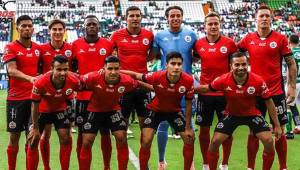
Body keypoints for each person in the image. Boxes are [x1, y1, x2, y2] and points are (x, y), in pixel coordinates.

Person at [195, 52, 282, 170]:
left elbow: (269, 102)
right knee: (215, 141)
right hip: (231, 115)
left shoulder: (258, 81)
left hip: (252, 114)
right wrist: (188, 89)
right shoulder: (223, 79)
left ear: (248, 64)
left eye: (243, 64)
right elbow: (206, 88)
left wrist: (277, 125)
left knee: (268, 141)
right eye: (237, 65)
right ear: (231, 66)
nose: (241, 67)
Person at [238, 5, 297, 170]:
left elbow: (291, 63)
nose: (264, 18)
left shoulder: (280, 39)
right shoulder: (248, 39)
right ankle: (250, 167)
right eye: (261, 16)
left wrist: (291, 86)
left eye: (267, 16)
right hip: (254, 94)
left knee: (280, 131)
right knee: (253, 131)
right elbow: (234, 54)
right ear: (255, 19)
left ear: (271, 19)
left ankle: (283, 167)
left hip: (276, 93)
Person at [122, 51, 195, 170]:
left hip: (174, 111)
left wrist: (188, 127)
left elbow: (188, 104)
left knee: (190, 138)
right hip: (155, 110)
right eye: (173, 63)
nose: (176, 67)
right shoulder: (156, 76)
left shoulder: (188, 80)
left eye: (179, 64)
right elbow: (135, 75)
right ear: (167, 65)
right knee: (146, 140)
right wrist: (115, 71)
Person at [149, 6, 197, 169]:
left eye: (178, 15)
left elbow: (196, 56)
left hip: (186, 85)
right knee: (163, 124)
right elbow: (153, 56)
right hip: (164, 87)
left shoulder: (191, 34)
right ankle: (161, 161)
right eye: (172, 16)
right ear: (167, 18)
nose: (175, 18)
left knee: (189, 123)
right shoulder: (160, 36)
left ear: (182, 17)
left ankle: (190, 163)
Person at [194, 11, 238, 170]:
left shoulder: (230, 43)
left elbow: (238, 64)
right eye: (210, 24)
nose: (213, 26)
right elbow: (193, 58)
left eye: (216, 24)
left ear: (220, 25)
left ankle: (224, 163)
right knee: (203, 130)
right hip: (205, 94)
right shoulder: (198, 44)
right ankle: (206, 164)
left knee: (227, 131)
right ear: (204, 27)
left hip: (225, 94)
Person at [79, 56, 138, 170]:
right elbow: (77, 80)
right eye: (110, 68)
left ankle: (108, 168)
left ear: (120, 69)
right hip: (94, 110)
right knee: (87, 141)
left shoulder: (127, 80)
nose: (113, 72)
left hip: (113, 110)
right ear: (104, 68)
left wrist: (153, 88)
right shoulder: (93, 77)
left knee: (121, 137)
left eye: (116, 68)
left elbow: (138, 84)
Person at [71, 15, 114, 169]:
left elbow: (113, 68)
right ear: (84, 27)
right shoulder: (75, 45)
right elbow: (70, 70)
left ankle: (107, 166)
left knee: (105, 133)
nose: (92, 27)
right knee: (83, 135)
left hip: (104, 96)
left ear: (99, 27)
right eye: (89, 24)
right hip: (83, 97)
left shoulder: (108, 45)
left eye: (94, 24)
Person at [27, 55, 80, 170]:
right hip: (41, 111)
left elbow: (84, 87)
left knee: (65, 137)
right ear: (52, 69)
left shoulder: (73, 80)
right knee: (34, 140)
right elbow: (34, 106)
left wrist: (72, 117)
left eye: (65, 69)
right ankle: (46, 167)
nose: (62, 73)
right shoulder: (40, 82)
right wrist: (35, 128)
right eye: (59, 69)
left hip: (59, 110)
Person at [3, 15, 40, 170]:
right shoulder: (10, 47)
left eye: (29, 26)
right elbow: (11, 71)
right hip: (16, 100)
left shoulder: (38, 48)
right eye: (23, 26)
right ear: (17, 28)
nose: (26, 28)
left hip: (34, 100)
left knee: (32, 139)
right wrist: (31, 79)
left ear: (33, 28)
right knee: (14, 138)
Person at [110, 6, 154, 136]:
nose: (135, 18)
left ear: (141, 17)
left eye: (137, 15)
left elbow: (153, 54)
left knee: (145, 127)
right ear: (126, 18)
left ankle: (144, 156)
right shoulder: (116, 35)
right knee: (121, 128)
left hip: (143, 85)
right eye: (131, 16)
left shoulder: (149, 35)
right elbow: (109, 56)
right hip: (123, 84)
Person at [39, 19, 74, 170]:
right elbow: (37, 71)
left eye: (61, 29)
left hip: (65, 100)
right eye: (54, 29)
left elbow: (76, 72)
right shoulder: (41, 49)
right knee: (45, 135)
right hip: (45, 100)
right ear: (49, 31)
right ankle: (47, 167)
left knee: (66, 136)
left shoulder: (72, 49)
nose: (58, 32)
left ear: (64, 31)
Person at [285, 34, 300, 137]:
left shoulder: (290, 52)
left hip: (293, 82)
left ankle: (289, 132)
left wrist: (288, 84)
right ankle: (298, 125)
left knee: (288, 105)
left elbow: (289, 70)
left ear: (289, 41)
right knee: (294, 105)